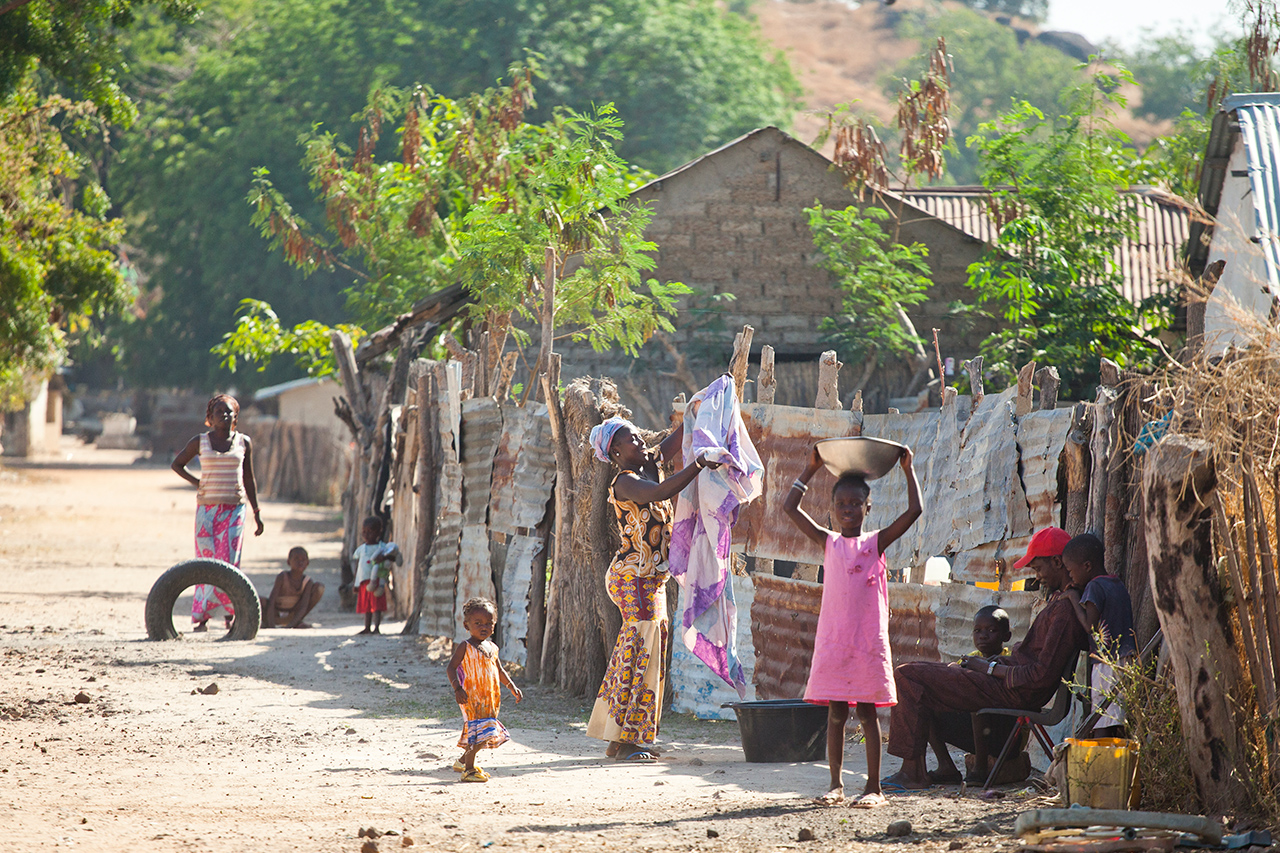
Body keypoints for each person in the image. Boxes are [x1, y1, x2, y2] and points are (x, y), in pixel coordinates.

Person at [883, 526, 1088, 790]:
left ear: (1058, 562)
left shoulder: (1064, 611)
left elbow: (1041, 675)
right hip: (1004, 682)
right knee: (920, 677)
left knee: (906, 675)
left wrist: (989, 668)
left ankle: (913, 773)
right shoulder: (1061, 602)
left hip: (1011, 690)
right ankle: (943, 768)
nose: (1037, 577)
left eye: (1038, 569)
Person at [783, 444, 922, 808]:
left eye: (855, 503)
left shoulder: (874, 543)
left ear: (867, 507)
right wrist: (810, 467)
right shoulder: (827, 543)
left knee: (866, 711)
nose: (847, 509)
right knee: (836, 712)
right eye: (840, 503)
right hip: (834, 640)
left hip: (865, 642)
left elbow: (915, 510)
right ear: (830, 509)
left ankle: (873, 788)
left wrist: (908, 470)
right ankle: (835, 785)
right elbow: (789, 508)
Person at [584, 415, 718, 762]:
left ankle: (621, 737)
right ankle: (627, 738)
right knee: (642, 648)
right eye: (632, 439)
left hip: (649, 579)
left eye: (640, 436)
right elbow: (662, 492)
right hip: (632, 576)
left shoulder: (650, 463)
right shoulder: (625, 483)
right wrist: (700, 463)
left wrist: (702, 405)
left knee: (646, 646)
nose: (641, 442)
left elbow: (683, 432)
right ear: (615, 452)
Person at [171, 394, 264, 632]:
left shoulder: (244, 442)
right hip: (207, 510)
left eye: (229, 412)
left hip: (234, 509)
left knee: (229, 562)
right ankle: (202, 617)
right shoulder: (199, 442)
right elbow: (177, 464)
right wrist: (198, 483)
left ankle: (231, 614)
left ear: (235, 417)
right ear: (209, 418)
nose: (224, 415)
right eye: (219, 413)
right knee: (205, 562)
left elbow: (249, 479)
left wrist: (256, 511)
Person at [925, 605, 1020, 786]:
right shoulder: (970, 659)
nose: (983, 636)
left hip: (1005, 734)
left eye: (991, 630)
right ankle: (946, 767)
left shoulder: (1009, 660)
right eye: (977, 631)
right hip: (977, 734)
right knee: (927, 706)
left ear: (1006, 636)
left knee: (977, 703)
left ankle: (980, 770)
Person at [1062, 532, 1136, 737]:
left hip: (1107, 663)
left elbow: (1089, 626)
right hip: (1125, 658)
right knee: (1118, 716)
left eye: (1071, 570)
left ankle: (1103, 762)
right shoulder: (1115, 583)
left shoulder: (1094, 587)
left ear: (1086, 566)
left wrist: (1073, 597)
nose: (1070, 577)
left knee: (1103, 718)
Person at [447, 597, 522, 782]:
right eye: (478, 623)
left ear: (494, 626)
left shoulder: (492, 648)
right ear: (467, 625)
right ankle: (469, 771)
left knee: (482, 731)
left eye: (489, 623)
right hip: (471, 698)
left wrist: (511, 686)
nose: (484, 627)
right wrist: (457, 688)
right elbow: (451, 668)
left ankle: (463, 761)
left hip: (490, 699)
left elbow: (499, 670)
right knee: (481, 733)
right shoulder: (465, 646)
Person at [352, 516, 401, 635]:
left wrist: (384, 557)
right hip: (364, 581)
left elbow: (392, 557)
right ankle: (367, 627)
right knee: (367, 606)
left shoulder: (382, 547)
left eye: (370, 531)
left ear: (378, 532)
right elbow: (359, 567)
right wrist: (356, 583)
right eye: (364, 531)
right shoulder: (361, 549)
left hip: (377, 581)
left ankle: (377, 628)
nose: (366, 534)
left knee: (377, 605)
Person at [260, 546, 325, 628]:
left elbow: (303, 606)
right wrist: (271, 625)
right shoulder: (282, 577)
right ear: (288, 562)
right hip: (276, 613)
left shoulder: (307, 582)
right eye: (296, 559)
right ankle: (268, 621)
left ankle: (296, 621)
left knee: (319, 588)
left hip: (293, 614)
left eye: (303, 560)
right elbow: (271, 601)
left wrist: (290, 626)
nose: (300, 562)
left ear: (307, 563)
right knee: (258, 600)